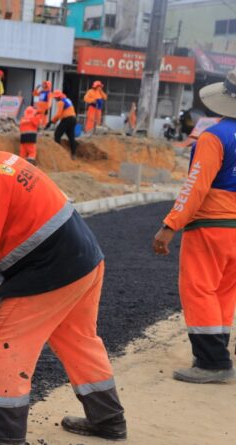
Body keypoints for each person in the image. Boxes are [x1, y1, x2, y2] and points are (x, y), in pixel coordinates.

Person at [0, 118, 126, 445]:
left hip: (56, 268)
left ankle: (3, 434)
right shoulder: (3, 161)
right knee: (76, 338)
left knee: (1, 333)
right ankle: (109, 421)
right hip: (85, 258)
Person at [152, 69, 236, 384]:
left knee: (200, 289)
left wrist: (169, 226)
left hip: (212, 226)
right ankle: (216, 354)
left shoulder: (215, 136)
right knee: (225, 292)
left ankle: (213, 364)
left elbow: (195, 187)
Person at [50, 90, 78, 160]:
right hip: (73, 119)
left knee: (57, 135)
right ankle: (73, 154)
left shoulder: (60, 102)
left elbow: (58, 114)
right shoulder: (67, 100)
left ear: (58, 97)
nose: (55, 99)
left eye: (55, 98)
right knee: (71, 137)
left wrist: (51, 121)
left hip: (67, 119)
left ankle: (58, 153)